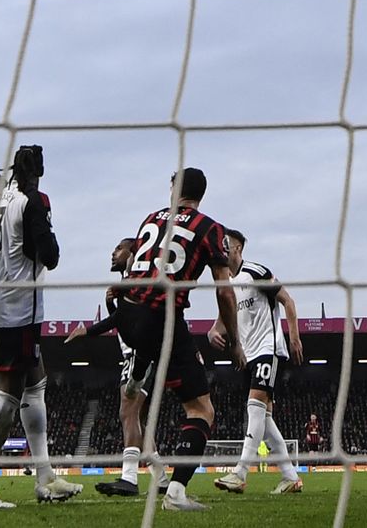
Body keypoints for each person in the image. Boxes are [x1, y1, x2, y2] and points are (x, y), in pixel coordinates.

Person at [111, 168, 244, 512]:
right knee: (201, 409)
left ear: (175, 188)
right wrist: (235, 340)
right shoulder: (210, 227)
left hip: (127, 313)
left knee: (147, 350)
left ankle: (138, 372)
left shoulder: (150, 218)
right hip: (161, 316)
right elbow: (225, 291)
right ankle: (176, 494)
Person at [0, 145, 83, 508]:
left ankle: (45, 477)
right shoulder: (33, 200)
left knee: (36, 382)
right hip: (20, 308)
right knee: (9, 393)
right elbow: (49, 256)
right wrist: (45, 224)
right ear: (37, 172)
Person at [66, 238, 170, 496]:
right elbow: (123, 319)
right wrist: (112, 302)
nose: (113, 254)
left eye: (118, 249)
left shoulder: (134, 280)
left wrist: (87, 331)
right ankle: (161, 478)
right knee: (137, 418)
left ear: (132, 252)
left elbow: (126, 319)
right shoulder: (130, 282)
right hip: (142, 354)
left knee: (127, 413)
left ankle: (129, 478)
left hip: (139, 354)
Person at [212, 229, 304, 495]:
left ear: (238, 247)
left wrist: (294, 338)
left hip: (269, 348)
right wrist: (213, 332)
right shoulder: (227, 283)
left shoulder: (256, 272)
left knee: (254, 407)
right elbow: (223, 317)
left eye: (226, 244)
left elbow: (287, 300)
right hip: (249, 355)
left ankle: (240, 473)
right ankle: (290, 477)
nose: (222, 248)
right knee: (263, 418)